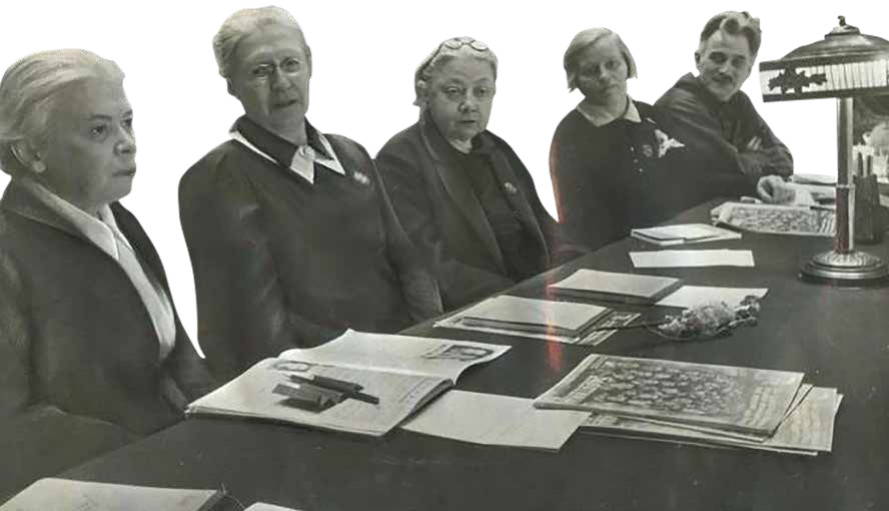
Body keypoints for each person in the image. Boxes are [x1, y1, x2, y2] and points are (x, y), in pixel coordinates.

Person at [180, 7, 442, 381]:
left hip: (405, 359)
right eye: (260, 71)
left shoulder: (351, 153)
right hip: (323, 381)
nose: (281, 83)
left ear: (310, 64)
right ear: (231, 83)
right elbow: (258, 330)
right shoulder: (217, 178)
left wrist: (429, 344)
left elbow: (408, 261)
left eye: (291, 64)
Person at [0, 49, 216, 494]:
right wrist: (168, 456)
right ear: (31, 151)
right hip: (100, 483)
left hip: (175, 460)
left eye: (127, 122)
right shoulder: (8, 254)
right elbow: (12, 427)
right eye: (99, 130)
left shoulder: (119, 220)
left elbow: (179, 356)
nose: (127, 142)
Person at [376, 37, 582, 311]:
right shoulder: (400, 159)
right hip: (483, 307)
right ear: (425, 94)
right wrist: (523, 298)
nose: (469, 104)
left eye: (481, 91)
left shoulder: (495, 148)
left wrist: (582, 268)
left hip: (537, 298)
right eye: (453, 91)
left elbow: (544, 226)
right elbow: (432, 267)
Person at [551, 28, 794, 250]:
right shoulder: (571, 135)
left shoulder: (652, 117)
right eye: (591, 70)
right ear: (575, 79)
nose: (604, 76)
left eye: (612, 64)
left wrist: (755, 184)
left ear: (627, 65)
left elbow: (697, 177)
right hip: (617, 255)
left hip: (676, 243)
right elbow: (580, 226)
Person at [656, 11, 793, 183]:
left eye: (737, 62)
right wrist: (753, 156)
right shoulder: (678, 104)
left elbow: (785, 161)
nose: (726, 70)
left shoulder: (739, 102)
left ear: (748, 71)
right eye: (718, 58)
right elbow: (728, 167)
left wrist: (743, 159)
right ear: (698, 60)